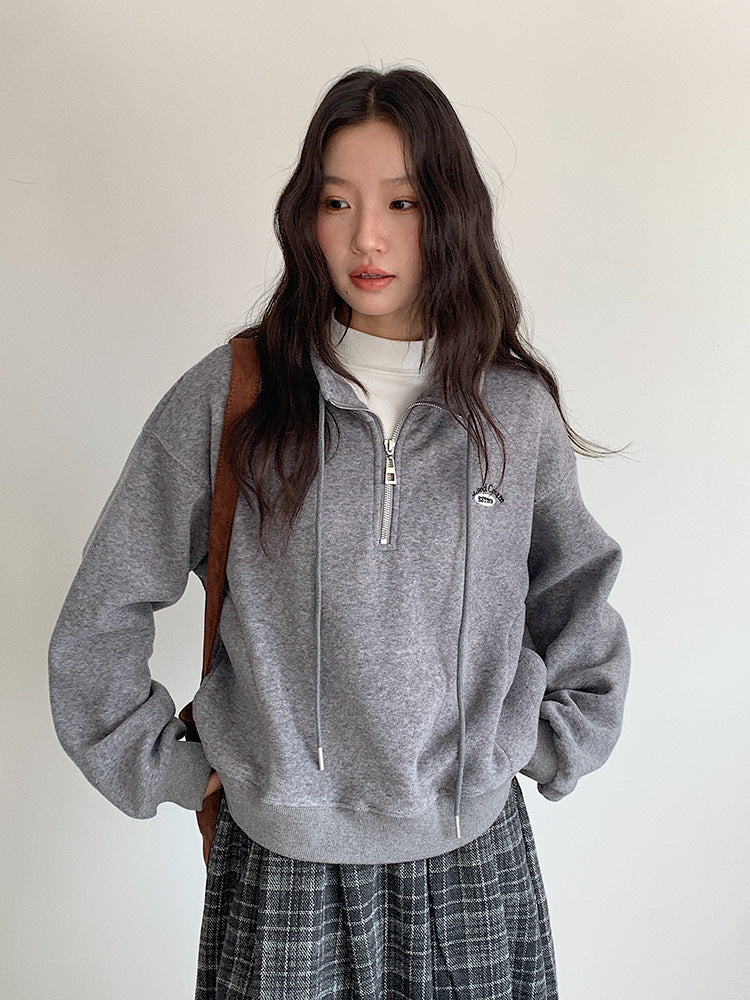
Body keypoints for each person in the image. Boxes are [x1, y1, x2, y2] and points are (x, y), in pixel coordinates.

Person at [48, 66, 630, 999]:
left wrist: (544, 741)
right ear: (304, 218)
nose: (367, 237)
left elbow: (577, 596)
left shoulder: (512, 412)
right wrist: (167, 766)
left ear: (451, 212)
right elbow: (102, 608)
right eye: (336, 202)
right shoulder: (233, 399)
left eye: (402, 201)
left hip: (473, 861)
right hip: (282, 870)